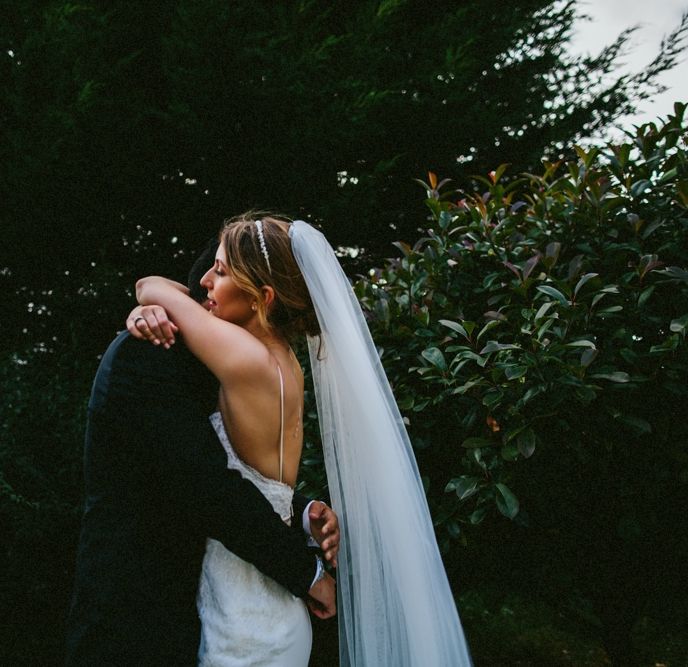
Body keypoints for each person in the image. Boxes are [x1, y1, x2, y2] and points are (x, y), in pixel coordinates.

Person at [131, 214, 473, 666]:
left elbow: (150, 286)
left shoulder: (245, 360)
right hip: (273, 608)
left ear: (262, 298)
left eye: (221, 270)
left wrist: (147, 307)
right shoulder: (283, 362)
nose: (206, 283)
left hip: (245, 620)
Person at [65, 237, 338, 667]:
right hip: (135, 607)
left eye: (223, 271)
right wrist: (308, 574)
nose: (212, 283)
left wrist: (302, 511)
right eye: (213, 273)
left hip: (207, 609)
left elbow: (224, 465)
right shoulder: (148, 354)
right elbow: (206, 484)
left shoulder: (224, 365)